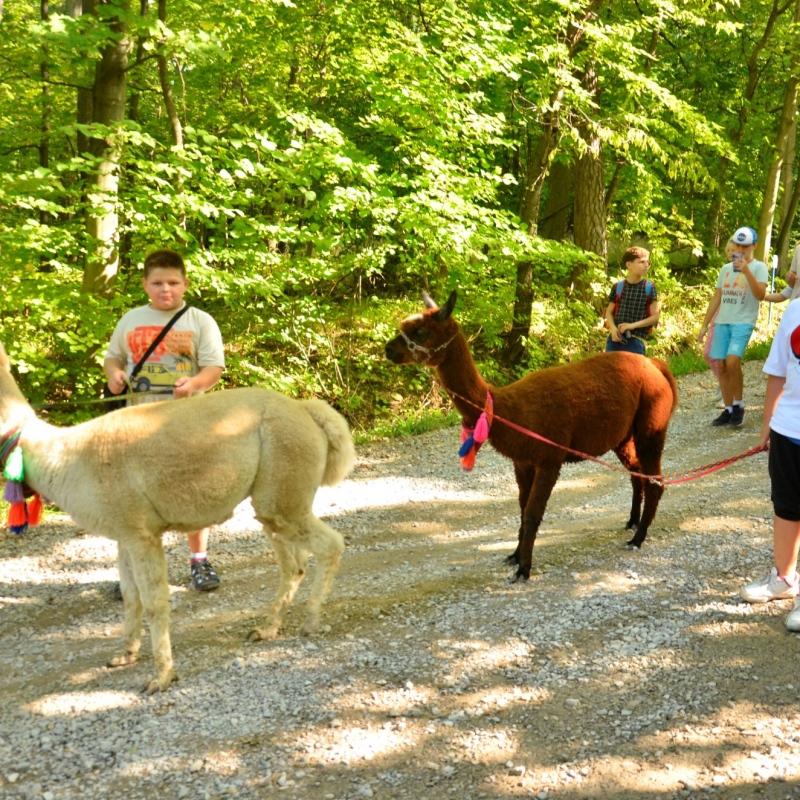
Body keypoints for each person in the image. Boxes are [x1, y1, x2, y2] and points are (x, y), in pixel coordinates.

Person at [104, 249, 226, 593]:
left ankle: (199, 562)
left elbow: (214, 368)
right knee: (133, 496)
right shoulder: (130, 319)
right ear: (145, 285)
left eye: (173, 282)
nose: (165, 289)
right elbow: (113, 357)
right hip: (135, 421)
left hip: (188, 422)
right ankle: (133, 570)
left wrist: (194, 384)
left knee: (191, 491)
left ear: (185, 284)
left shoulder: (200, 321)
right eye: (157, 283)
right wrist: (114, 375)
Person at [739, 297, 800, 631]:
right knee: (787, 507)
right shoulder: (794, 310)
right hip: (789, 429)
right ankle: (785, 579)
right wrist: (768, 425)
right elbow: (777, 372)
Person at [697, 226, 768, 427]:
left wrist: (746, 271)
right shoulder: (725, 269)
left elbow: (760, 295)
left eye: (745, 245)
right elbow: (717, 297)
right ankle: (728, 410)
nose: (741, 249)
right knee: (721, 365)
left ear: (754, 245)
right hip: (722, 322)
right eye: (738, 244)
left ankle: (739, 405)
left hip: (743, 321)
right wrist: (704, 325)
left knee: (733, 361)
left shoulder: (759, 267)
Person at [604, 246, 661, 356]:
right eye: (641, 262)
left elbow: (655, 317)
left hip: (636, 341)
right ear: (629, 265)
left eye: (647, 262)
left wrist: (632, 326)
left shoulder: (649, 288)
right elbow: (609, 312)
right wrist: (613, 329)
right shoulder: (618, 287)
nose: (646, 265)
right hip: (615, 340)